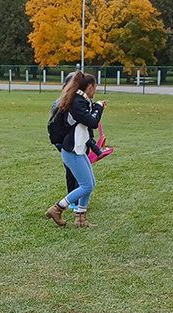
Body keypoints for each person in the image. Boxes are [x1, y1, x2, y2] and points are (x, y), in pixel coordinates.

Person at [46, 71, 105, 228]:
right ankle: (57, 208)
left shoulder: (80, 101)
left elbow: (85, 128)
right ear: (90, 87)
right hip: (72, 150)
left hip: (78, 149)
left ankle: (80, 218)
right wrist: (99, 107)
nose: (95, 91)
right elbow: (92, 122)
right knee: (86, 185)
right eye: (95, 88)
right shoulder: (77, 102)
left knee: (90, 183)